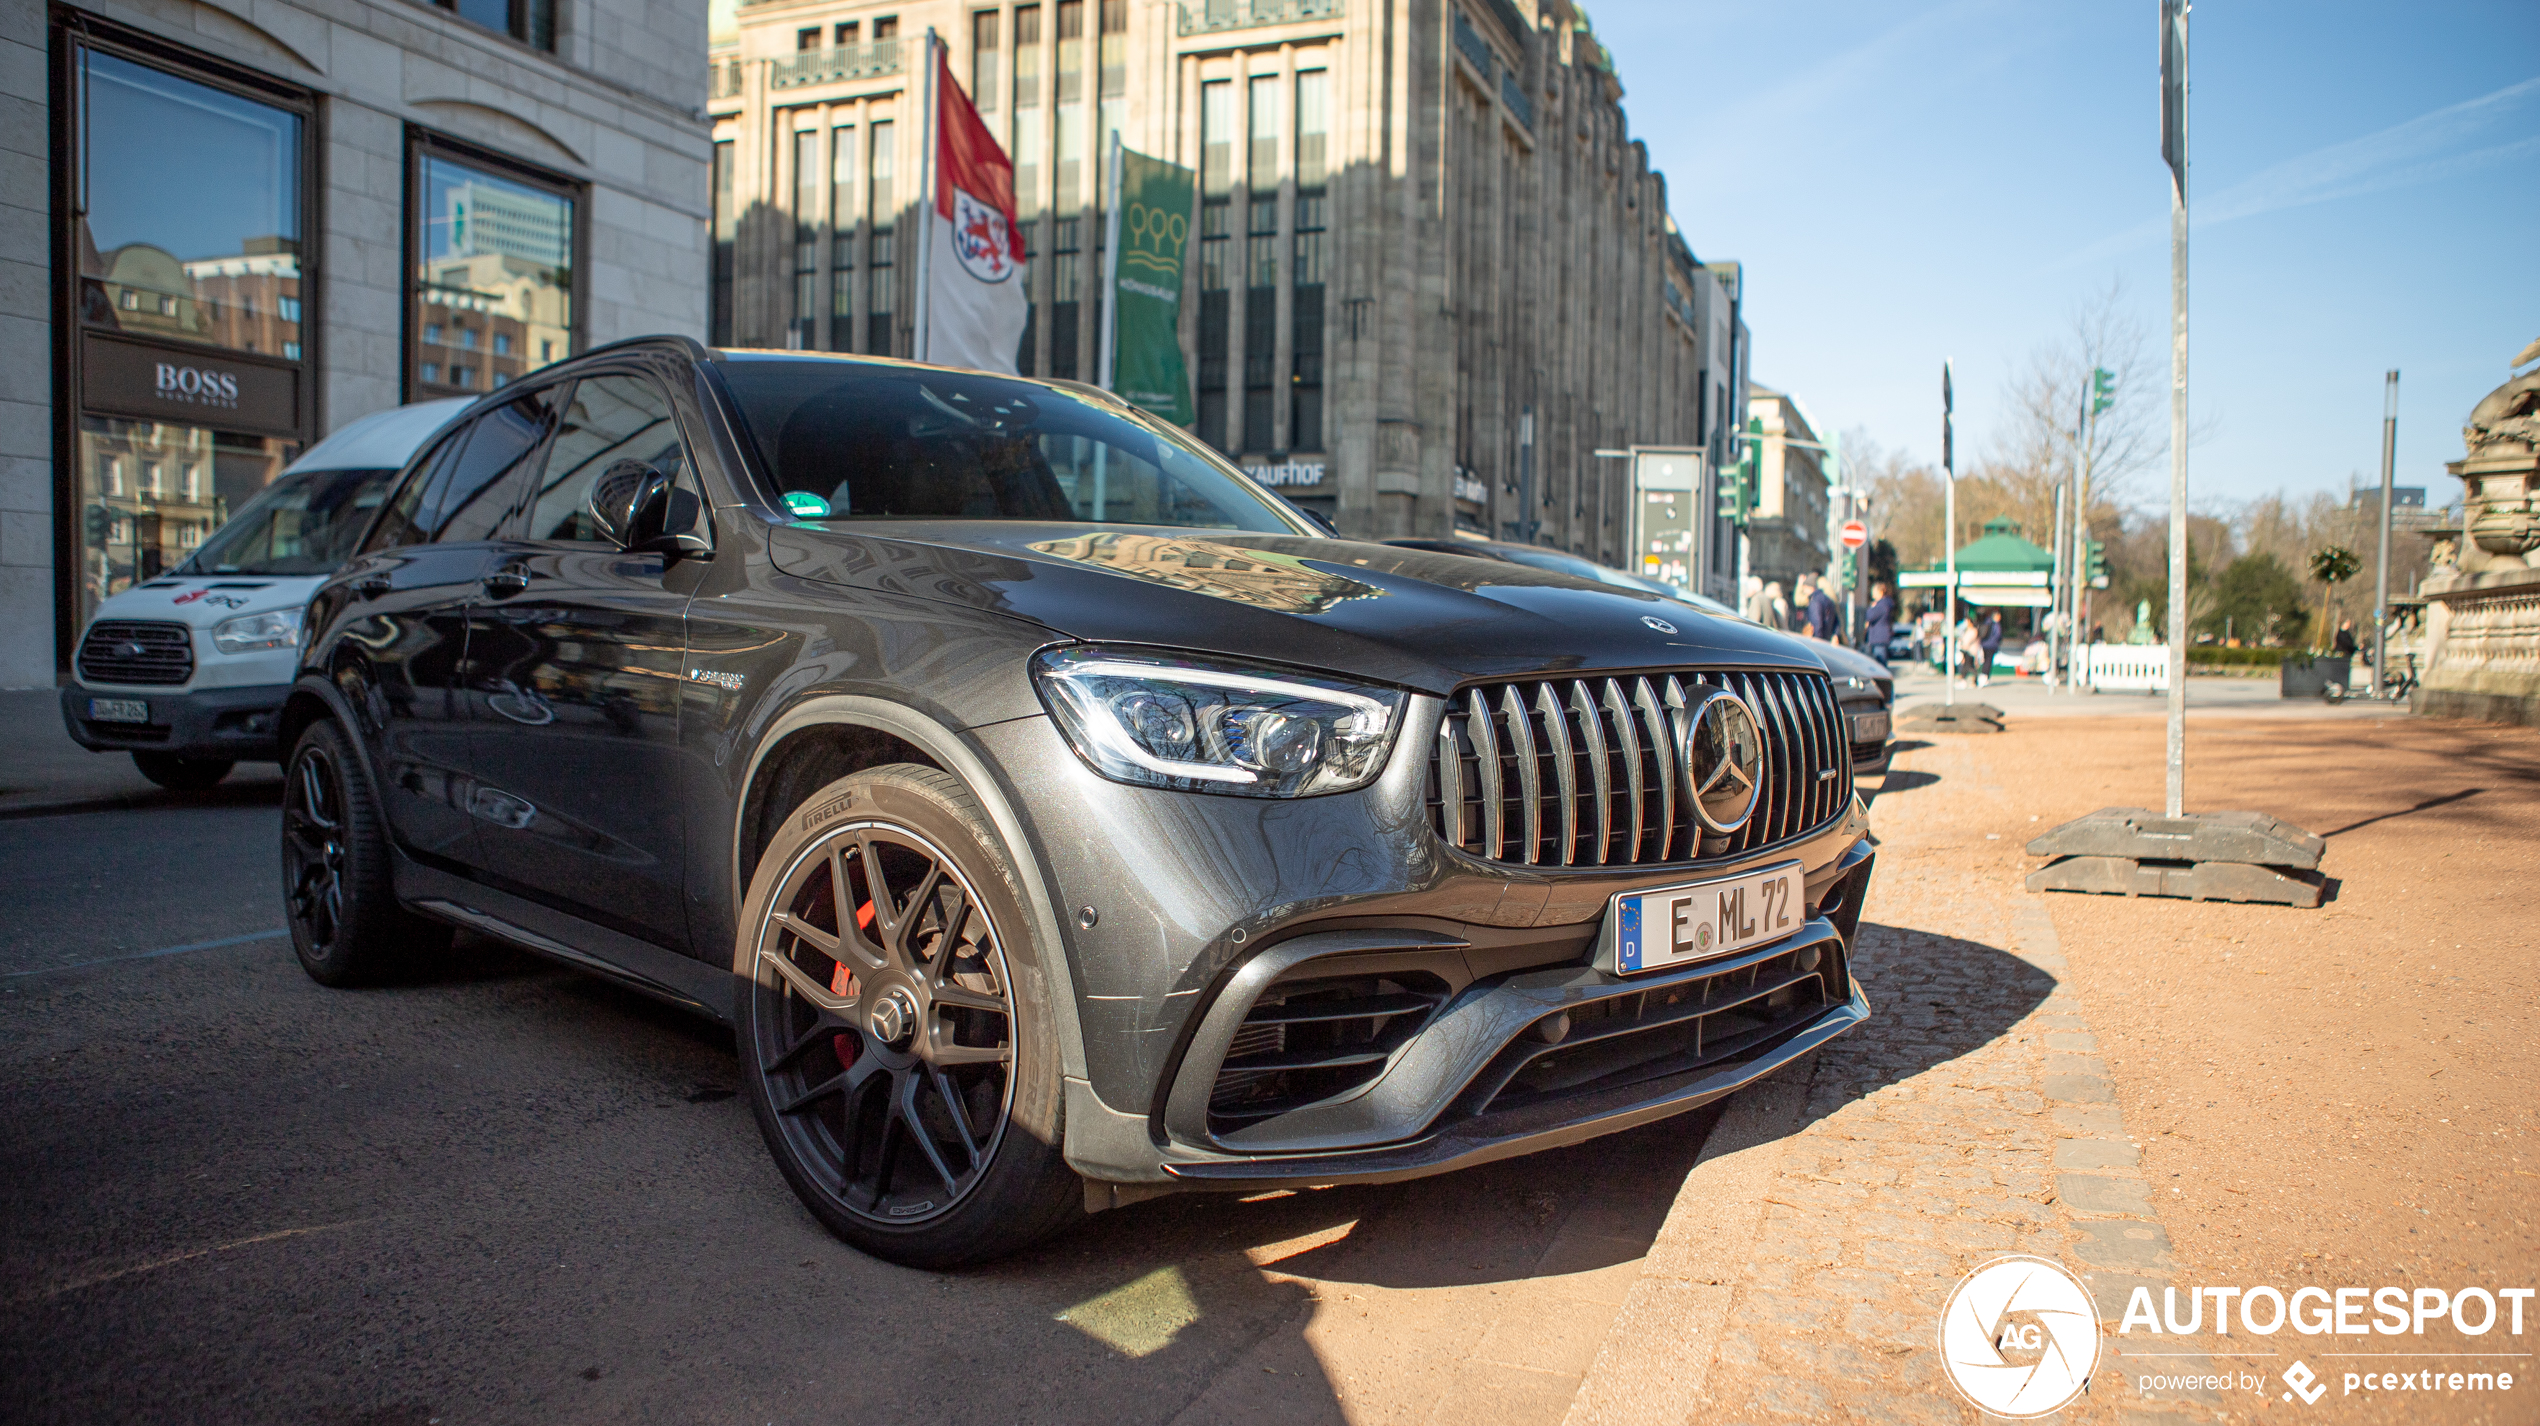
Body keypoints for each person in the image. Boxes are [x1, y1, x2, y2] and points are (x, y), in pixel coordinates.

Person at [1863, 581, 1896, 667]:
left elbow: (1869, 616)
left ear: (1880, 592)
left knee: (1880, 665)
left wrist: (1872, 607)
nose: (1872, 595)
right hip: (1879, 639)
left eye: (1874, 592)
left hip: (1879, 639)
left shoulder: (1882, 605)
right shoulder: (1884, 604)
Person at [1804, 572, 1838, 641]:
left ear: (1810, 587)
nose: (1804, 591)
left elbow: (1817, 623)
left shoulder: (1815, 601)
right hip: (1827, 639)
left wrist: (1817, 640)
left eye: (1804, 587)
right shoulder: (1828, 599)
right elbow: (1836, 621)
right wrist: (1835, 634)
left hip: (1818, 640)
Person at [1978, 609, 2003, 686]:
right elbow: (1998, 635)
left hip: (1984, 644)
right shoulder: (1996, 625)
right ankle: (1985, 676)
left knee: (1986, 660)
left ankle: (1983, 676)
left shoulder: (1987, 622)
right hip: (1991, 645)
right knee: (1988, 661)